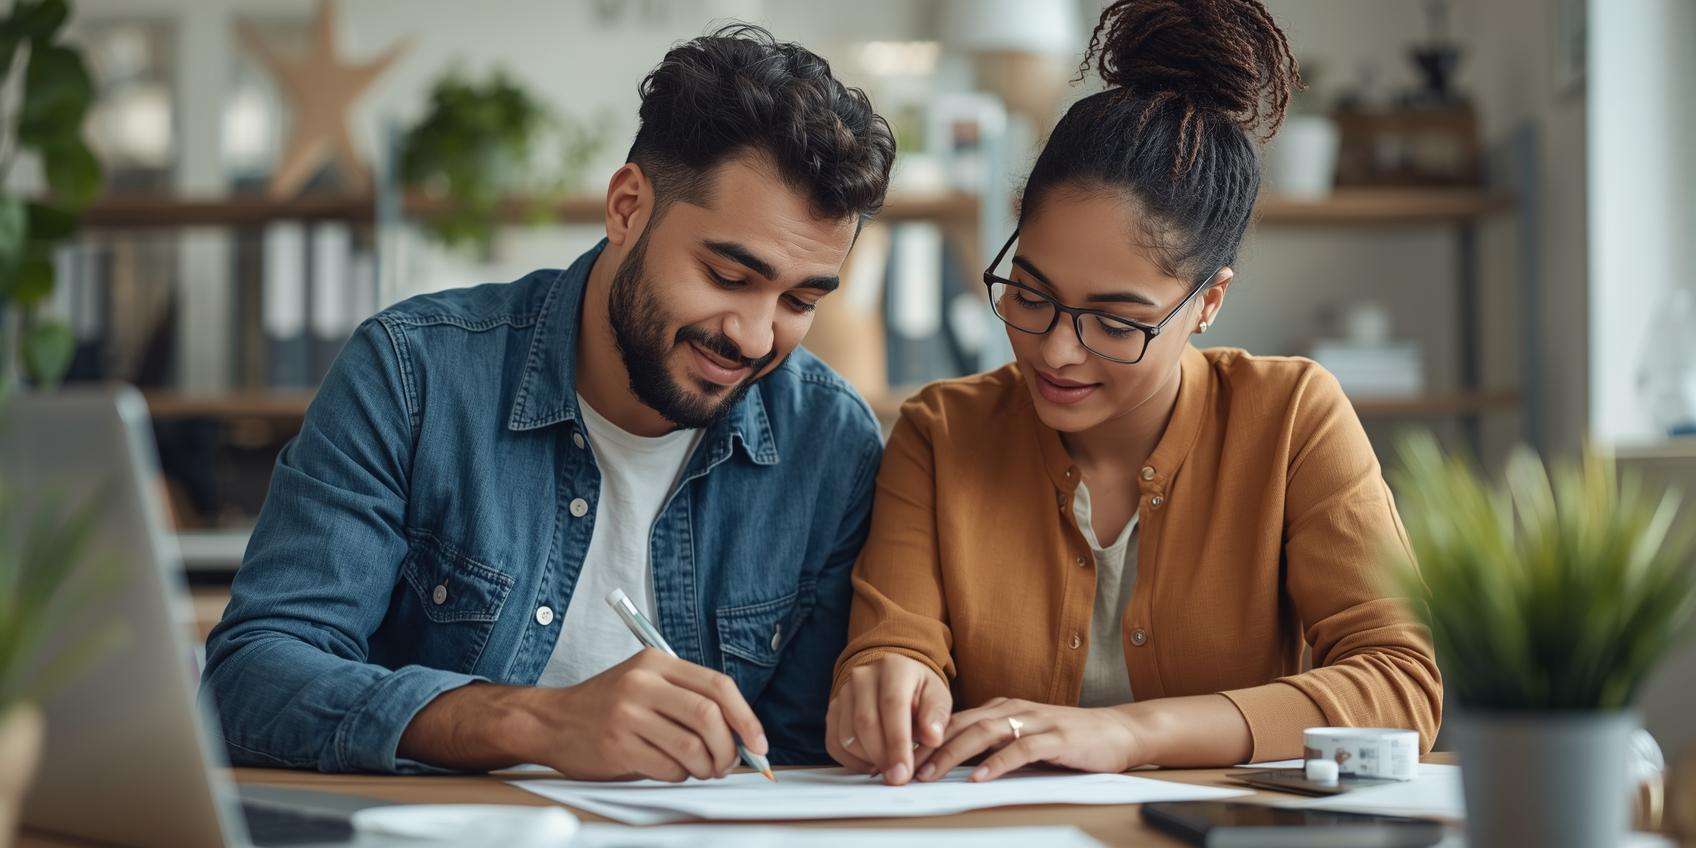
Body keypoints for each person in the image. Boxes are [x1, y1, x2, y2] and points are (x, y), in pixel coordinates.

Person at [202, 24, 894, 780]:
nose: (756, 337)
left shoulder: (829, 445)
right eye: (729, 277)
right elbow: (250, 681)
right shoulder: (413, 376)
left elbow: (792, 766)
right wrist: (538, 722)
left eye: (799, 299)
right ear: (627, 208)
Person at [826, 0, 1442, 786]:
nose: (1054, 350)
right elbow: (894, 642)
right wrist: (884, 679)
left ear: (1208, 302)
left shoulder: (1291, 418)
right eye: (1031, 293)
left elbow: (1402, 683)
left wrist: (1129, 733)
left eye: (1116, 323)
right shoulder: (940, 433)